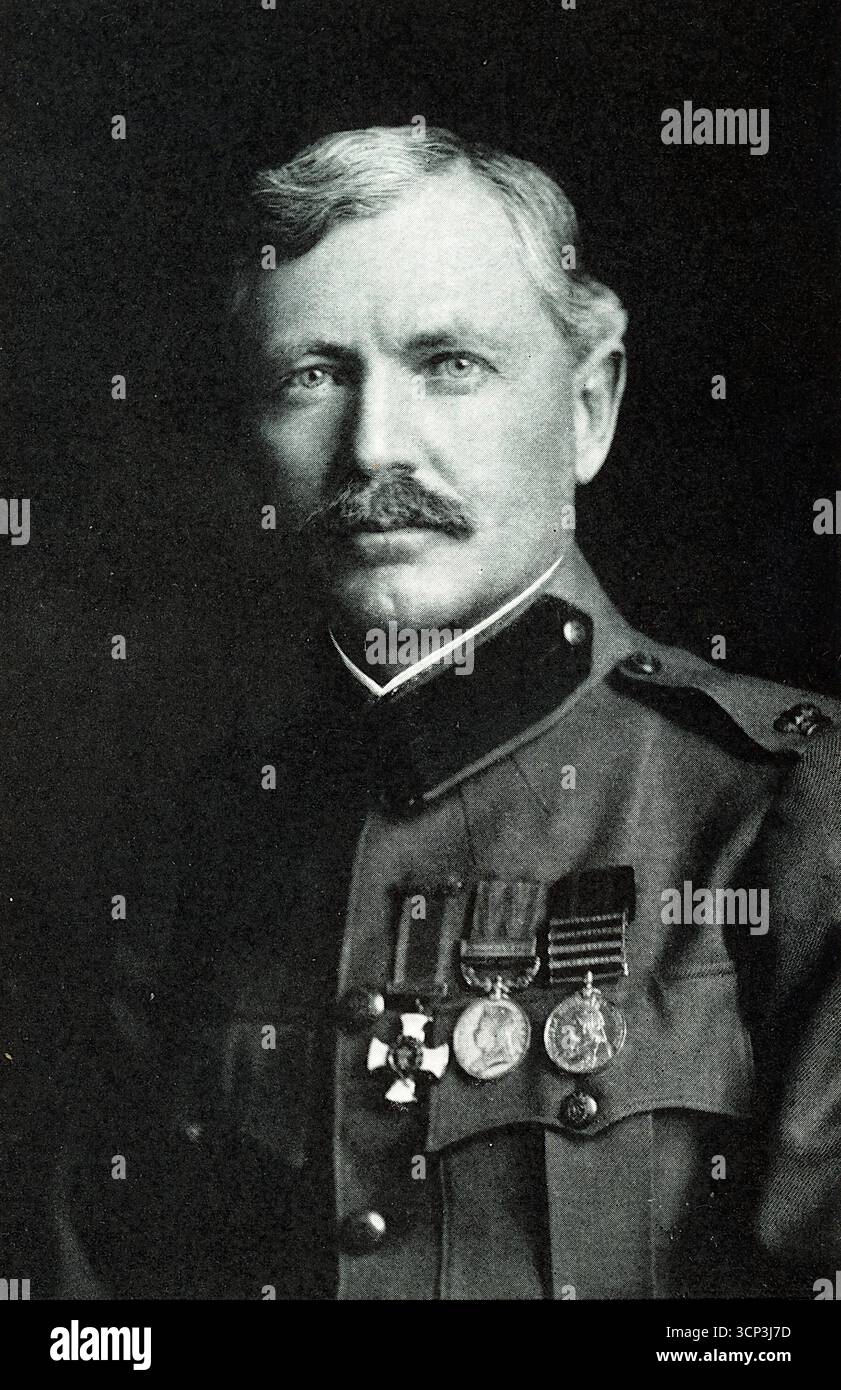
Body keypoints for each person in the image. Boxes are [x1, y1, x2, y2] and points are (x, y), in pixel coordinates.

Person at [53, 125, 840, 1300]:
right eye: (312, 376)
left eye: (449, 364)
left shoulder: (786, 808)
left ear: (588, 408)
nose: (374, 445)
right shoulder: (195, 847)